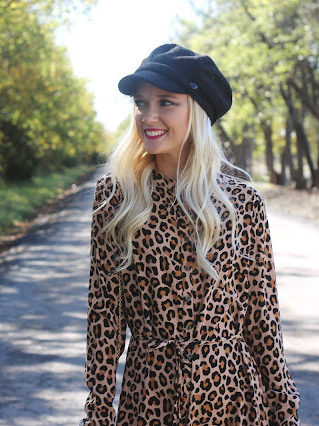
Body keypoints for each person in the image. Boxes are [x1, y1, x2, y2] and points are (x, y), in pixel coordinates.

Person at [81, 44, 300, 425]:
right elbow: (104, 319)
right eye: (140, 103)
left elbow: (262, 319)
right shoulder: (116, 198)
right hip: (149, 398)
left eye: (165, 102)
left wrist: (284, 411)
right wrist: (97, 415)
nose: (148, 116)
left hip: (233, 399)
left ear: (197, 111)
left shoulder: (242, 203)